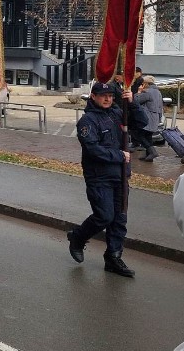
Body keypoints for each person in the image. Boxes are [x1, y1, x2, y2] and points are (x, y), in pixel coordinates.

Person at [66, 82, 148, 277]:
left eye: (111, 96)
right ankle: (78, 237)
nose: (107, 99)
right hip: (99, 177)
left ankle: (113, 257)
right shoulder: (88, 121)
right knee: (104, 216)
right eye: (103, 95)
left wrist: (133, 103)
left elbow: (143, 123)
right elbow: (92, 149)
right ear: (93, 96)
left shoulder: (118, 113)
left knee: (119, 219)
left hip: (120, 176)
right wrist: (119, 156)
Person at [133, 76, 163, 162]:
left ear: (146, 83)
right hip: (155, 118)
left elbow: (136, 100)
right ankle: (148, 155)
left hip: (147, 118)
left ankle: (152, 152)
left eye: (143, 83)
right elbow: (160, 106)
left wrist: (138, 92)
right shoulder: (158, 92)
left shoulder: (148, 92)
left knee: (140, 135)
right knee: (148, 136)